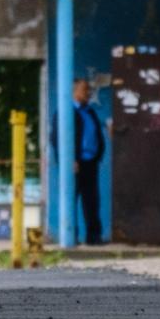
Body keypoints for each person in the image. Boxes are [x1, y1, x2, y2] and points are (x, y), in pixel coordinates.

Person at [71, 78, 105, 246]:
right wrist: (70, 159)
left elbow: (97, 134)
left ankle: (94, 237)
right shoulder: (68, 111)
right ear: (75, 91)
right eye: (85, 90)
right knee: (72, 200)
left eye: (89, 90)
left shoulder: (90, 112)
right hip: (75, 165)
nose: (88, 93)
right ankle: (71, 236)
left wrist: (98, 156)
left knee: (92, 201)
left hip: (91, 163)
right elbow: (57, 137)